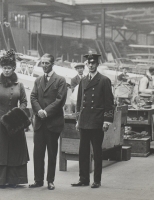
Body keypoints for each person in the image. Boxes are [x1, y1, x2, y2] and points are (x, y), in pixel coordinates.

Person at [0, 50, 30, 188]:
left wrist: (17, 115)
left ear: (13, 69)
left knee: (15, 151)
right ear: (1, 68)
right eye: (4, 68)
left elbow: (24, 102)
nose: (6, 70)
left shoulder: (19, 85)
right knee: (1, 151)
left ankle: (13, 179)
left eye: (9, 68)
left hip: (14, 123)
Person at [72, 53, 114, 189]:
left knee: (97, 152)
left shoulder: (104, 80)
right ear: (86, 65)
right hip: (84, 121)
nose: (90, 65)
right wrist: (78, 119)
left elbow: (109, 103)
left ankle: (97, 180)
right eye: (88, 63)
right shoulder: (83, 80)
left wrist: (107, 120)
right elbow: (79, 102)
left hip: (97, 121)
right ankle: (83, 178)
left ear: (97, 64)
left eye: (93, 63)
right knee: (83, 152)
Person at [29, 54, 67, 190]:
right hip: (39, 123)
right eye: (42, 63)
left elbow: (60, 99)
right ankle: (38, 180)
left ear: (52, 64)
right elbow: (33, 96)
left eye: (46, 63)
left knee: (52, 153)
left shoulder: (60, 80)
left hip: (53, 123)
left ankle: (50, 180)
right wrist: (39, 110)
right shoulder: (38, 80)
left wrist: (46, 111)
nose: (44, 65)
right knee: (38, 153)